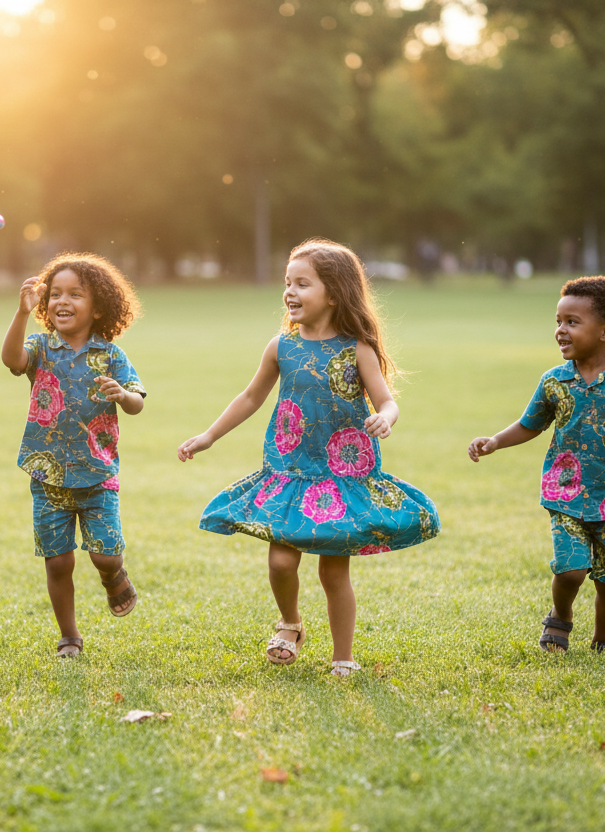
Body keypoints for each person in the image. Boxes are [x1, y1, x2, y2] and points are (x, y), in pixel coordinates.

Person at [178, 238, 440, 677]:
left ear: (334, 293)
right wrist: (208, 435)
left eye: (303, 284)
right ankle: (291, 624)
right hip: (291, 467)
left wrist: (386, 418)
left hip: (340, 473)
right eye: (288, 283)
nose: (290, 292)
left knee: (334, 575)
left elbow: (386, 399)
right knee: (281, 561)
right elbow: (250, 397)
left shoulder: (358, 348)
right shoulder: (281, 346)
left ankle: (343, 657)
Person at [468, 276, 605, 654]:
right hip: (566, 491)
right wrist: (495, 440)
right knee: (571, 569)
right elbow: (530, 424)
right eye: (558, 321)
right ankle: (560, 617)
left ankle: (603, 640)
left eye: (572, 322)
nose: (560, 330)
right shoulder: (554, 381)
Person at [1, 253, 146, 658]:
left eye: (75, 294)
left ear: (98, 306)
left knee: (105, 553)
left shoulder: (111, 355)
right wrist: (20, 313)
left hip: (98, 473)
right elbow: (12, 361)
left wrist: (124, 395)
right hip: (46, 472)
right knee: (58, 562)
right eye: (55, 294)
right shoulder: (41, 347)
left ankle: (114, 575)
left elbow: (137, 402)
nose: (62, 302)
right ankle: (69, 636)